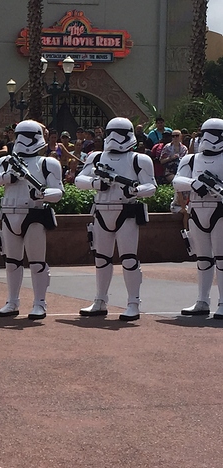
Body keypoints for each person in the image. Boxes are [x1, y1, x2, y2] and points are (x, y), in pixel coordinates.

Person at [75, 117, 157, 321]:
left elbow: (151, 186)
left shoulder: (139, 159)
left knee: (129, 258)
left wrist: (134, 190)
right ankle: (100, 300)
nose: (113, 137)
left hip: (126, 211)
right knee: (101, 258)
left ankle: (133, 303)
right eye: (110, 132)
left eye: (118, 133)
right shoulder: (96, 157)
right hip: (102, 211)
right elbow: (79, 180)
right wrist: (96, 184)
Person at [0, 120, 64, 319]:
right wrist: (7, 177)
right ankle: (12, 301)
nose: (21, 140)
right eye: (18, 135)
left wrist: (41, 194)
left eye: (26, 136)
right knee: (12, 262)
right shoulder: (6, 162)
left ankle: (39, 303)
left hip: (34, 214)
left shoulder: (47, 163)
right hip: (9, 214)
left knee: (37, 262)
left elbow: (58, 192)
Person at [173, 118, 223, 318]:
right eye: (205, 133)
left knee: (221, 258)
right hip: (196, 210)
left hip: (219, 209)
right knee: (203, 258)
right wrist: (194, 183)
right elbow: (177, 181)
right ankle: (202, 300)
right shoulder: (191, 159)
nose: (207, 138)